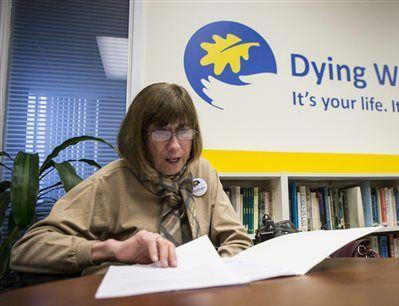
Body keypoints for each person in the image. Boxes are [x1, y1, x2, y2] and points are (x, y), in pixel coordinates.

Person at [10, 83, 253, 276]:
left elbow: (236, 239)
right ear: (139, 137)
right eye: (161, 132)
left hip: (196, 302)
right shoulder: (108, 183)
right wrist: (113, 249)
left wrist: (219, 271)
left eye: (184, 131)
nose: (175, 146)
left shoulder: (201, 171)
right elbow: (27, 249)